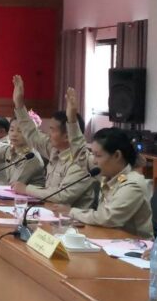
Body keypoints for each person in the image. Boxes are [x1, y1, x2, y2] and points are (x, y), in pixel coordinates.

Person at [11, 76, 95, 208]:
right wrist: (19, 104)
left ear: (67, 136)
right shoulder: (54, 149)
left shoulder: (80, 162)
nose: (48, 134)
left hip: (72, 218)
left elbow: (62, 196)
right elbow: (32, 134)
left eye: (52, 130)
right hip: (49, 212)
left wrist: (26, 189)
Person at [70, 126, 153, 237]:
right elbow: (82, 158)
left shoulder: (133, 184)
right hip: (108, 238)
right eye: (93, 155)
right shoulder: (108, 173)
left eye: (98, 155)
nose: (94, 161)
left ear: (117, 155)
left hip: (134, 245)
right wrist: (71, 122)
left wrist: (72, 212)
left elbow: (107, 218)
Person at [0, 116, 47, 187]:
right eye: (12, 130)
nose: (14, 134)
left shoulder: (31, 158)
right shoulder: (10, 149)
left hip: (26, 193)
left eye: (20, 131)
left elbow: (13, 184)